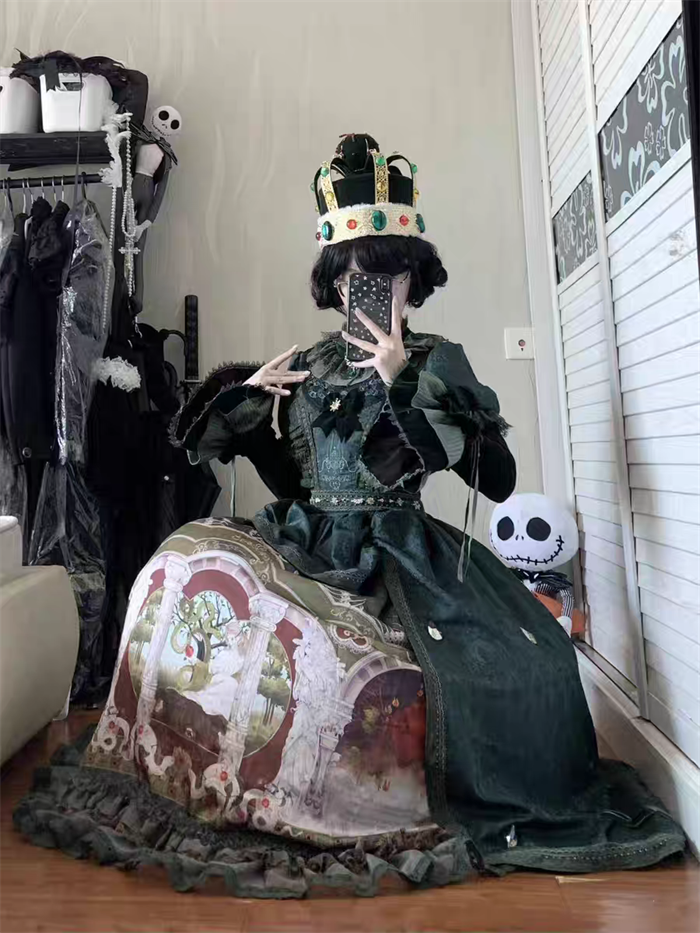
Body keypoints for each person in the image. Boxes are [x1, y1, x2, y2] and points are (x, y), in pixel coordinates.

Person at [15, 134, 684, 899]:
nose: (372, 289)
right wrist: (249, 409)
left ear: (413, 279)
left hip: (404, 553)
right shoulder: (313, 365)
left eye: (389, 273)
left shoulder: (437, 358)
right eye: (356, 276)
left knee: (518, 669)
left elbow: (495, 479)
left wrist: (405, 380)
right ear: (337, 284)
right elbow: (290, 480)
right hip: (310, 540)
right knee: (180, 565)